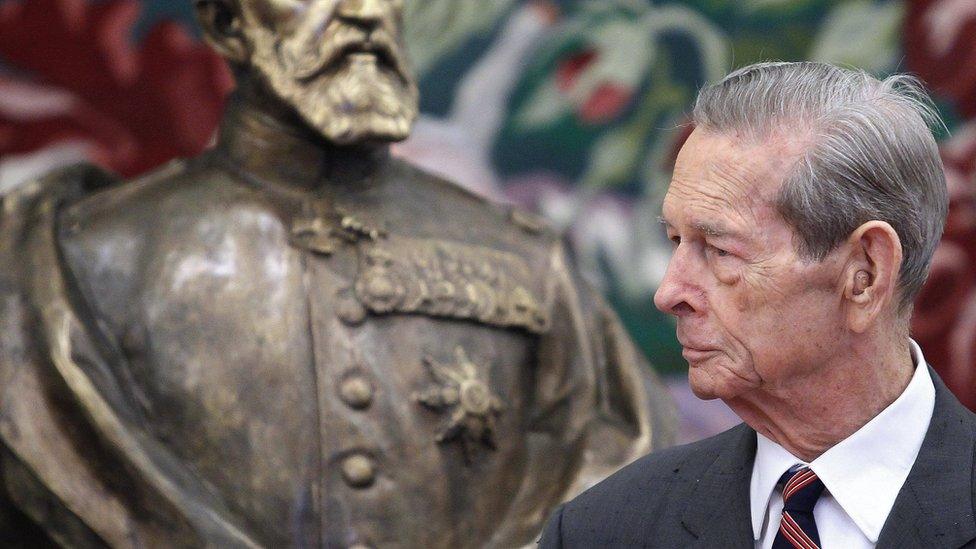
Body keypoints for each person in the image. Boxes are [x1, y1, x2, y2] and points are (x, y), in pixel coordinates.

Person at [0, 0, 675, 547]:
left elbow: (629, 465)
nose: (361, 14)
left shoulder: (528, 256)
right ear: (228, 23)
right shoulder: (85, 255)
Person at [539, 61, 972, 548]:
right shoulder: (602, 531)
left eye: (720, 251)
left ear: (865, 274)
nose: (669, 292)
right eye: (675, 240)